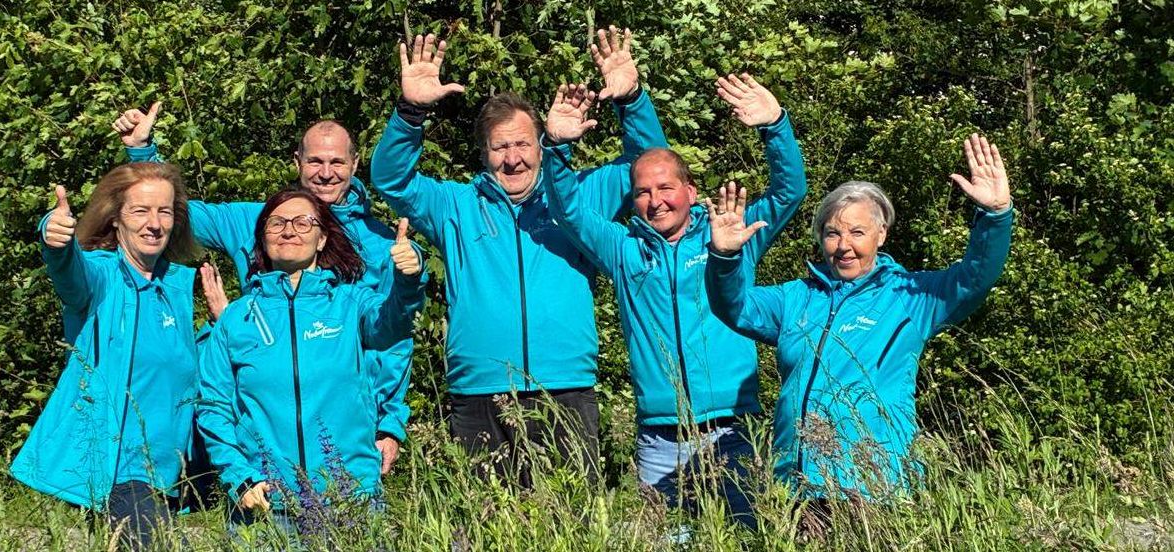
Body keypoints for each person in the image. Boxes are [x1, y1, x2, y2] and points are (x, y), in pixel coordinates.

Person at [368, 28, 668, 484]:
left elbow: (650, 166)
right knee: (486, 525)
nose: (513, 159)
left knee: (571, 525)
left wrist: (632, 99)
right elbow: (391, 179)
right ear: (483, 153)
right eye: (500, 146)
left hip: (565, 385)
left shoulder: (583, 193)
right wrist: (411, 112)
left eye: (523, 144)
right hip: (479, 392)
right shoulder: (456, 206)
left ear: (542, 146)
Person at [541, 74, 806, 527]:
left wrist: (775, 125)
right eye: (642, 191)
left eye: (665, 188)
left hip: (733, 429)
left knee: (744, 537)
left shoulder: (731, 233)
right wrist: (556, 146)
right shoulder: (625, 251)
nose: (655, 200)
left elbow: (788, 192)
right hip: (660, 437)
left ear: (690, 192)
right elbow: (568, 210)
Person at [705, 134, 1014, 500]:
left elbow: (974, 278)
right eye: (832, 233)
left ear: (881, 234)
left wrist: (995, 216)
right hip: (796, 490)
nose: (844, 245)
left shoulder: (908, 296)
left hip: (873, 491)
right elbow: (734, 307)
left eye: (857, 232)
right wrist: (724, 257)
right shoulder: (796, 298)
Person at [113, 108, 416, 474]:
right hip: (264, 436)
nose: (325, 172)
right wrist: (143, 152)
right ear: (297, 162)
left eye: (336, 161)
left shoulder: (381, 244)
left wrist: (389, 423)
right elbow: (175, 218)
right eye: (314, 160)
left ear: (355, 163)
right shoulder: (261, 222)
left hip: (348, 432)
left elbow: (395, 341)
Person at [196, 188, 425, 534]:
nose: (290, 230)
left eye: (304, 222)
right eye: (277, 223)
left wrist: (409, 279)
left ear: (321, 239)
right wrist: (240, 477)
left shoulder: (350, 303)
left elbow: (391, 324)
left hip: (351, 500)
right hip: (266, 509)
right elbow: (213, 406)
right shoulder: (236, 318)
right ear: (262, 238)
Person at [10, 163, 202, 549]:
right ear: (115, 219)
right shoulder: (103, 276)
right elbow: (70, 275)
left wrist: (220, 325)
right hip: (122, 468)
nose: (154, 223)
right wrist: (55, 240)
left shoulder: (176, 287)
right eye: (140, 211)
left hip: (171, 472)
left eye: (164, 211)